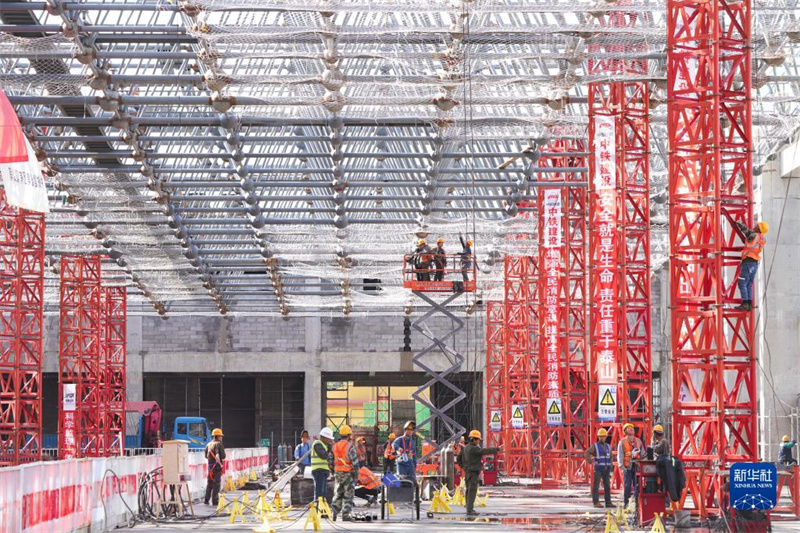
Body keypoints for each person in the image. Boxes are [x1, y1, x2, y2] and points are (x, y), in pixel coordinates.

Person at [460, 429, 500, 517]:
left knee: (468, 490)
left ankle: (468, 506)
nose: (479, 441)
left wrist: (464, 467)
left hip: (468, 472)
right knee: (472, 491)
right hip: (473, 472)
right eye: (478, 439)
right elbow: (483, 451)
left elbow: (459, 458)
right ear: (473, 439)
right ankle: (470, 510)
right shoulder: (473, 448)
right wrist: (497, 449)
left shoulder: (465, 448)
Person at [734, 220, 768, 311]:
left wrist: (738, 223)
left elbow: (746, 230)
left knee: (742, 283)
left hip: (748, 262)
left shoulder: (754, 235)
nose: (755, 226)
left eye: (757, 225)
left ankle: (745, 303)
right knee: (748, 284)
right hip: (754, 263)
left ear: (759, 229)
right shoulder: (762, 239)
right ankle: (749, 304)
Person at [331, 424, 358, 521]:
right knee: (348, 494)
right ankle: (345, 515)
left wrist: (333, 470)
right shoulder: (350, 447)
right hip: (347, 474)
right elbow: (355, 462)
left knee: (338, 493)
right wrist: (356, 475)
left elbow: (330, 460)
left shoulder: (334, 446)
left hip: (338, 473)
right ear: (349, 435)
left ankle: (334, 512)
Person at [617, 422, 644, 508]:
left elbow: (643, 454)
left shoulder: (638, 441)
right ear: (625, 431)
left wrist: (642, 462)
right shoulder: (622, 442)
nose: (631, 429)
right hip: (627, 467)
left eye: (632, 428)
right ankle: (626, 504)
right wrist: (621, 466)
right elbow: (620, 455)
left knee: (637, 486)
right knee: (627, 486)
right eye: (629, 428)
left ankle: (636, 504)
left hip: (637, 467)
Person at [585, 428, 613, 509]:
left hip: (606, 469)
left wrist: (610, 464)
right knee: (596, 486)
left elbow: (611, 456)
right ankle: (596, 502)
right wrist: (591, 462)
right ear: (598, 437)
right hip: (598, 469)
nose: (602, 438)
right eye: (600, 436)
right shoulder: (595, 446)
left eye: (603, 436)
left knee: (607, 486)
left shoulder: (608, 446)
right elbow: (587, 452)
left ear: (606, 437)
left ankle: (608, 502)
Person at [311, 428, 335, 510]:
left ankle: (322, 509)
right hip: (318, 470)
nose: (330, 441)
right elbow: (323, 455)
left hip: (323, 471)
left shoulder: (324, 445)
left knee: (323, 491)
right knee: (319, 491)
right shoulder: (317, 444)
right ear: (324, 437)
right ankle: (318, 509)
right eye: (329, 439)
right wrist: (330, 447)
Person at [204, 428, 226, 506]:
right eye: (220, 436)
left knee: (209, 484)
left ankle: (206, 500)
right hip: (217, 467)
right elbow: (223, 456)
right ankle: (215, 501)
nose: (221, 437)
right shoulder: (219, 444)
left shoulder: (208, 444)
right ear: (217, 436)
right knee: (216, 484)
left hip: (210, 468)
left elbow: (205, 456)